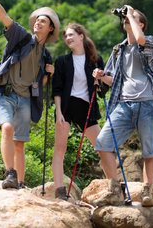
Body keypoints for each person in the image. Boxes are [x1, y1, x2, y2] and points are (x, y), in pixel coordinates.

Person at [0, 0, 59, 189]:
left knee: (19, 144)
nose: (38, 22)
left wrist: (49, 73)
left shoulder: (46, 56)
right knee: (8, 129)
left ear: (50, 29)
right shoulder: (21, 36)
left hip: (25, 99)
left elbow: (40, 82)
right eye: (37, 20)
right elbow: (3, 16)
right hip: (5, 93)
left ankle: (20, 183)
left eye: (43, 21)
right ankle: (10, 173)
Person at [92, 5, 153, 206]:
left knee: (149, 151)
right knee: (102, 143)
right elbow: (113, 79)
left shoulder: (149, 41)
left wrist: (131, 12)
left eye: (133, 18)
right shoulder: (118, 50)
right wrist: (101, 76)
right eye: (125, 18)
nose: (126, 19)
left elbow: (140, 39)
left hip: (148, 104)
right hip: (124, 104)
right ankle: (115, 189)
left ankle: (146, 192)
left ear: (140, 24)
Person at [51, 23, 107, 200]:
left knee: (102, 147)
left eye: (71, 35)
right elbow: (57, 90)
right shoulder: (62, 61)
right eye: (66, 36)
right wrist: (59, 113)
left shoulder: (96, 60)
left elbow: (103, 91)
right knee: (60, 149)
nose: (68, 38)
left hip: (86, 107)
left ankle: (112, 184)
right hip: (66, 107)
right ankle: (60, 190)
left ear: (81, 36)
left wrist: (99, 83)